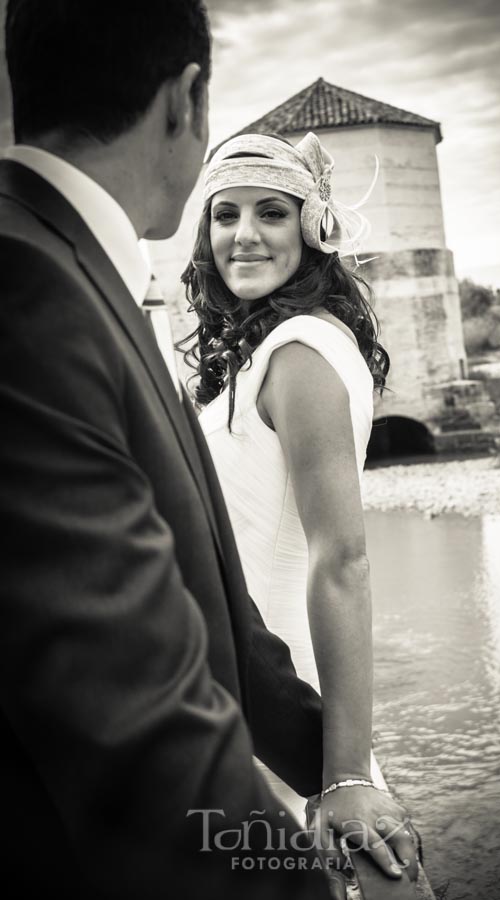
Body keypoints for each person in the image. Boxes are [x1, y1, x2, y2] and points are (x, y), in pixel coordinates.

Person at [0, 3, 336, 898]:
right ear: (186, 100)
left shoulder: (86, 268)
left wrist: (340, 769)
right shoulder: (25, 283)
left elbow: (219, 607)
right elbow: (131, 718)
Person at [182, 131, 424, 889]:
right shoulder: (256, 350)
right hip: (238, 697)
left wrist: (345, 771)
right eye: (225, 214)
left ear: (313, 228)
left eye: (271, 213)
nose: (243, 235)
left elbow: (342, 557)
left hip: (289, 710)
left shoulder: (300, 351)